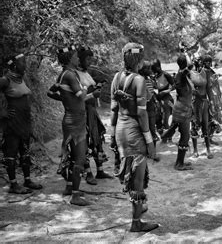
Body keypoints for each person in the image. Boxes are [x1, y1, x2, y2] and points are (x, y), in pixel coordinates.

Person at [110, 42, 159, 231]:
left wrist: (112, 134)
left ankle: (138, 210)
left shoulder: (116, 77)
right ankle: (136, 223)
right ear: (139, 59)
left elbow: (114, 109)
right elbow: (142, 113)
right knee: (137, 179)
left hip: (121, 129)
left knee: (133, 173)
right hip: (134, 132)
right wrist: (149, 140)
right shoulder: (138, 80)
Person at [47, 45, 90, 206]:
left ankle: (70, 186)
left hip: (71, 119)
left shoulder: (63, 74)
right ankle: (75, 196)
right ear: (70, 58)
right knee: (79, 157)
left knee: (72, 156)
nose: (78, 58)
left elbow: (50, 92)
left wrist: (66, 100)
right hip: (75, 121)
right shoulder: (71, 76)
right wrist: (86, 86)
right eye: (75, 56)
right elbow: (81, 94)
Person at [0, 54, 43, 194]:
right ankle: (13, 184)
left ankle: (27, 180)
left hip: (24, 122)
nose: (25, 64)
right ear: (14, 65)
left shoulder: (21, 79)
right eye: (22, 62)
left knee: (25, 152)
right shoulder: (5, 80)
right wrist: (2, 112)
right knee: (11, 153)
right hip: (12, 123)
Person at [75, 46, 114, 185]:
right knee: (84, 142)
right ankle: (88, 173)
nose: (90, 62)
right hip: (81, 113)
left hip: (91, 110)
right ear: (79, 59)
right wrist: (92, 93)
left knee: (97, 140)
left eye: (91, 59)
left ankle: (100, 170)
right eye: (87, 59)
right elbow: (75, 96)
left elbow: (98, 80)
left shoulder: (88, 72)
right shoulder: (74, 74)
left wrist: (98, 86)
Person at [160, 54, 194, 171]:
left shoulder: (181, 74)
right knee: (185, 136)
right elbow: (191, 65)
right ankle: (179, 164)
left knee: (184, 135)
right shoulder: (182, 74)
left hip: (181, 109)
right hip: (182, 110)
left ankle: (181, 161)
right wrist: (186, 53)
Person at [190, 56, 213, 159]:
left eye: (201, 62)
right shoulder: (190, 73)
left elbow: (208, 87)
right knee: (194, 125)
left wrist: (211, 101)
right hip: (194, 102)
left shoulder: (206, 72)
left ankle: (208, 149)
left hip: (204, 102)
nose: (200, 64)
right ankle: (195, 150)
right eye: (198, 62)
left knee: (205, 124)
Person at [138, 60, 161, 161]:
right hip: (144, 108)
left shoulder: (149, 79)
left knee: (152, 129)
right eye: (147, 69)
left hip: (151, 107)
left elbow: (153, 91)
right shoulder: (140, 80)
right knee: (145, 129)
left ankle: (152, 152)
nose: (150, 70)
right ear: (142, 70)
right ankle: (148, 151)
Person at [202, 55, 222, 145]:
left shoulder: (210, 70)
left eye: (209, 61)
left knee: (214, 117)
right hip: (210, 98)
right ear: (203, 62)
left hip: (215, 97)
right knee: (211, 118)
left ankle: (210, 137)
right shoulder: (204, 71)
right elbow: (206, 86)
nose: (208, 63)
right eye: (206, 61)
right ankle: (208, 138)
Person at [152, 59, 174, 142]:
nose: (152, 71)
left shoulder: (166, 75)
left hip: (167, 100)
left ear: (158, 67)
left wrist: (165, 91)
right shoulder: (155, 76)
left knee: (165, 120)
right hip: (159, 99)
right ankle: (164, 136)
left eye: (153, 69)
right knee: (159, 120)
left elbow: (175, 85)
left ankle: (168, 136)